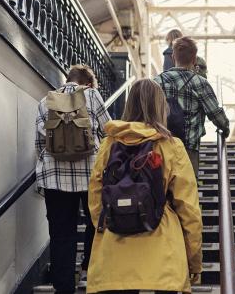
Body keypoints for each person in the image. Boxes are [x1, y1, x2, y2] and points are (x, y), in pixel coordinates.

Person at [86, 79, 203, 294]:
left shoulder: (109, 143)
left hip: (115, 254)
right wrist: (194, 259)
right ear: (160, 107)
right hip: (163, 255)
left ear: (129, 105)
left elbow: (95, 196)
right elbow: (189, 209)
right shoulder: (171, 145)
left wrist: (113, 221)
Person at [35, 65, 111, 294]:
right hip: (91, 176)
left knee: (61, 235)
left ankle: (64, 288)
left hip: (54, 179)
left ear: (67, 80)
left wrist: (41, 176)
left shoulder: (45, 101)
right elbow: (109, 132)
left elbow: (39, 144)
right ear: (88, 83)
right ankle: (90, 269)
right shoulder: (91, 95)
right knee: (97, 225)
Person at [154, 36, 229, 176]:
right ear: (194, 59)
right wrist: (225, 128)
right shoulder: (201, 83)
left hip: (161, 146)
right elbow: (216, 114)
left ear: (172, 57)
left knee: (161, 191)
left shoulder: (157, 81)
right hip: (188, 149)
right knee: (187, 193)